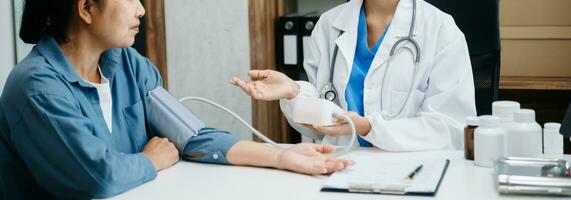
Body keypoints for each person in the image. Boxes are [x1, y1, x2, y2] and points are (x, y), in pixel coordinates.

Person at [0, 0, 353, 199]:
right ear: (87, 7)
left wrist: (281, 156)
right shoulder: (37, 89)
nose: (140, 9)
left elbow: (191, 136)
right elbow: (98, 178)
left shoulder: (127, 65)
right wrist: (152, 158)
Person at [231, 0, 476, 151]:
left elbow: (451, 129)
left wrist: (368, 128)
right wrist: (294, 93)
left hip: (411, 171)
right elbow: (318, 127)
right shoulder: (329, 24)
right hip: (339, 166)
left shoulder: (441, 30)